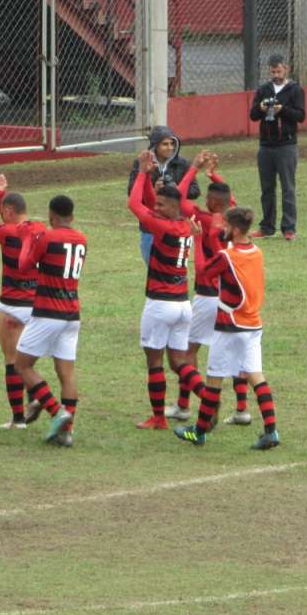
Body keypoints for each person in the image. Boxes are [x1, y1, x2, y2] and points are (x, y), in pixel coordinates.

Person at [173, 207, 280, 450]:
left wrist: (198, 239)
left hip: (229, 325)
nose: (222, 229)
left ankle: (199, 432)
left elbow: (202, 274)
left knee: (214, 380)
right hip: (253, 323)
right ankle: (271, 431)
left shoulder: (226, 257)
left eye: (225, 226)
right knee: (256, 376)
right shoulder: (256, 252)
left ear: (235, 229)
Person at [166, 151, 251, 427]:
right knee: (236, 351)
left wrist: (193, 169)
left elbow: (177, 198)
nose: (203, 200)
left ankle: (185, 405)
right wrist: (213, 174)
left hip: (207, 294)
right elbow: (229, 196)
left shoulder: (203, 219)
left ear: (212, 202)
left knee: (186, 352)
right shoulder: (233, 219)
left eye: (207, 198)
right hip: (231, 296)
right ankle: (241, 410)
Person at [0, 172, 47, 430]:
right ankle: (34, 398)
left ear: (9, 211)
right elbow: (11, 221)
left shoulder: (5, 232)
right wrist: (0, 196)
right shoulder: (40, 229)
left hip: (12, 304)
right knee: (28, 362)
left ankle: (18, 419)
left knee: (12, 361)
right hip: (37, 305)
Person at [128, 149, 194, 431]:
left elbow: (134, 205)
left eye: (162, 205)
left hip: (160, 303)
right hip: (182, 303)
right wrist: (152, 178)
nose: (157, 208)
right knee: (179, 362)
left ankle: (158, 417)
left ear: (174, 208)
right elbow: (153, 203)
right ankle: (206, 396)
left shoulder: (163, 226)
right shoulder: (185, 225)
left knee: (154, 361)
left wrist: (142, 173)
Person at [14, 194, 86, 447]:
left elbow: (24, 265)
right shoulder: (82, 239)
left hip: (47, 312)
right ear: (72, 216)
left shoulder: (47, 236)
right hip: (72, 314)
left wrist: (26, 239)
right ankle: (67, 431)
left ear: (51, 215)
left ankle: (57, 413)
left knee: (22, 365)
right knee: (66, 374)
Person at [248, 54, 305, 241]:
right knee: (267, 188)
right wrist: (263, 108)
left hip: (286, 146)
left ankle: (289, 228)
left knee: (288, 188)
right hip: (265, 145)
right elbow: (253, 115)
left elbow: (300, 116)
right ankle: (267, 227)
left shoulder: (295, 90)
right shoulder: (263, 89)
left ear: (286, 68)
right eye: (273, 71)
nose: (276, 74)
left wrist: (282, 109)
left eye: (279, 70)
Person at [127, 125, 198, 263]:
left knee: (170, 265)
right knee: (153, 266)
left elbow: (195, 191)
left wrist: (175, 190)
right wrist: (153, 188)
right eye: (165, 144)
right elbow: (132, 191)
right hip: (151, 226)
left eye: (172, 143)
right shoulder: (142, 163)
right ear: (155, 145)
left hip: (175, 223)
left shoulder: (182, 163)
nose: (170, 147)